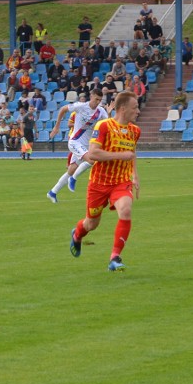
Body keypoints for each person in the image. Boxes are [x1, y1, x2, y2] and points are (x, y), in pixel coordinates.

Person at [68, 91, 140, 272]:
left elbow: (131, 153)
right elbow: (92, 154)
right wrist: (121, 155)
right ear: (123, 108)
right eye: (135, 107)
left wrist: (134, 175)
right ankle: (77, 235)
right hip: (99, 183)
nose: (138, 111)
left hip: (121, 181)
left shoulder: (135, 131)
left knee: (126, 209)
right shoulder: (104, 126)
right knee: (91, 224)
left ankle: (114, 258)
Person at [47, 88, 109, 202]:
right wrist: (57, 126)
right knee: (92, 160)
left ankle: (52, 192)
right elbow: (63, 109)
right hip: (75, 142)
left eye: (100, 100)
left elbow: (108, 124)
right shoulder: (80, 106)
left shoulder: (100, 111)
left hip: (86, 146)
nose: (97, 102)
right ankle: (73, 179)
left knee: (71, 170)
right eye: (96, 99)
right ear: (91, 96)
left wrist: (109, 112)